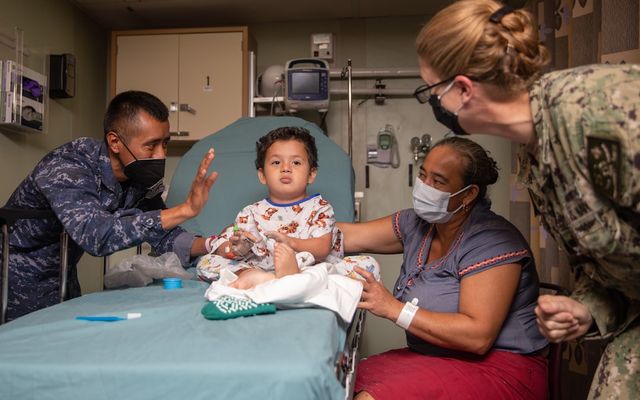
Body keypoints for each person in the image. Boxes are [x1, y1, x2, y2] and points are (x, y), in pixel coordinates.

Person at [413, 1, 639, 398]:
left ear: (463, 88)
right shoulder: (535, 157)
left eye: (432, 91)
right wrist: (586, 307)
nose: (433, 104)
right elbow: (617, 264)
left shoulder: (602, 110)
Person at [339, 137, 547, 399]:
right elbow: (346, 236)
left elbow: (477, 336)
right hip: (434, 358)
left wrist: (393, 308)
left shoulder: (492, 240)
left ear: (469, 193)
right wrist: (287, 224)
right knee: (336, 380)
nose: (425, 187)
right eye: (423, 175)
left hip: (501, 369)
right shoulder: (419, 224)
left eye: (438, 182)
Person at [1, 90, 217, 321]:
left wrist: (214, 244)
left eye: (165, 143)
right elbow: (96, 235)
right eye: (151, 145)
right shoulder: (68, 166)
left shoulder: (137, 177)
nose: (161, 154)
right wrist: (184, 210)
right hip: (14, 280)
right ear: (115, 141)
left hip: (64, 276)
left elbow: (163, 235)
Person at [197, 126, 378, 289]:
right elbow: (236, 246)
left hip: (308, 269)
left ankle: (292, 278)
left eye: (296, 163)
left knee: (368, 265)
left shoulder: (320, 208)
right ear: (262, 175)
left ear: (311, 174)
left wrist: (290, 243)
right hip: (263, 268)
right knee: (206, 262)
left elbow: (322, 248)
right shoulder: (250, 212)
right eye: (276, 162)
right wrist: (239, 249)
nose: (286, 168)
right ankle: (262, 278)